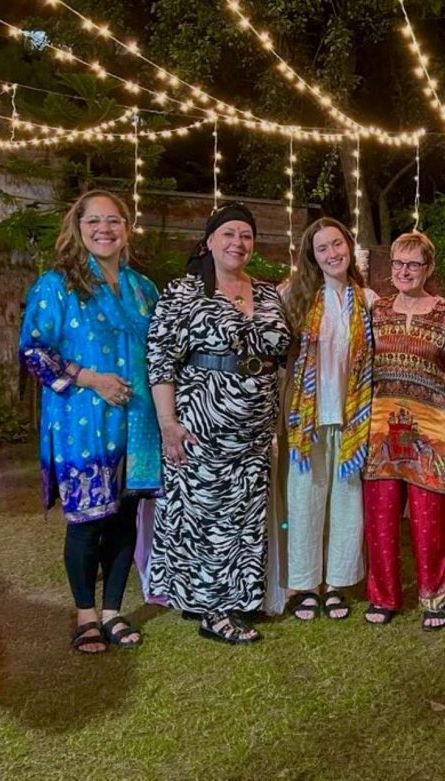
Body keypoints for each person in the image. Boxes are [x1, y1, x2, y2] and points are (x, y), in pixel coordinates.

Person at [19, 189, 160, 654]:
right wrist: (92, 379)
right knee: (86, 521)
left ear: (127, 228)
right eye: (94, 221)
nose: (104, 229)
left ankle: (114, 610)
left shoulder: (143, 289)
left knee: (124, 518)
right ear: (77, 228)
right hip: (83, 422)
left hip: (137, 423)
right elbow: (34, 351)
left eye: (113, 220)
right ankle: (86, 615)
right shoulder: (57, 285)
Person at [146, 203, 291, 644]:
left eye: (246, 235)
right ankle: (213, 610)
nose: (237, 243)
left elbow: (282, 353)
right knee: (207, 514)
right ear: (209, 241)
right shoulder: (184, 292)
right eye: (228, 233)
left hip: (254, 429)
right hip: (202, 422)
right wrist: (167, 422)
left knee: (245, 515)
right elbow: (160, 359)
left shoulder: (267, 293)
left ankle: (238, 598)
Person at [362, 231, 445, 630]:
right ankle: (384, 597)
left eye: (413, 264)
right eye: (398, 264)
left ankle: (434, 598)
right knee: (381, 521)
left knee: (431, 522)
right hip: (381, 430)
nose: (404, 272)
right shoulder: (377, 311)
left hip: (434, 429)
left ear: (429, 268)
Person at [281, 217, 377, 622]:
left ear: (348, 247)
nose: (332, 253)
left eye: (337, 244)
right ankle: (305, 585)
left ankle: (338, 582)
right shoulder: (295, 296)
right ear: (312, 256)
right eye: (322, 248)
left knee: (348, 501)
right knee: (304, 499)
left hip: (353, 416)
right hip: (308, 418)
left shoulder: (368, 300)